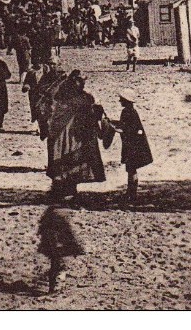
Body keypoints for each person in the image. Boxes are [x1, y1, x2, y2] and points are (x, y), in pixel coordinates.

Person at [44, 70, 106, 201]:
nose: (82, 83)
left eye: (83, 81)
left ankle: (71, 189)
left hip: (79, 135)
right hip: (63, 135)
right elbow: (52, 115)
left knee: (75, 160)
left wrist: (97, 112)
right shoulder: (62, 97)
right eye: (79, 81)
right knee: (63, 160)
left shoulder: (86, 97)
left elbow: (92, 115)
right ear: (73, 81)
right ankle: (59, 188)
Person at [114, 88, 153, 205]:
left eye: (121, 99)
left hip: (132, 145)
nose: (120, 100)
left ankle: (131, 193)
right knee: (132, 169)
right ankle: (131, 193)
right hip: (136, 144)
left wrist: (114, 128)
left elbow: (126, 128)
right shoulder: (132, 111)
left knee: (131, 169)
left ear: (126, 101)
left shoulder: (126, 112)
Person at [37, 205, 84, 294]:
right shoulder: (61, 214)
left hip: (53, 227)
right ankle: (54, 286)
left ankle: (52, 286)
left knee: (56, 261)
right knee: (58, 262)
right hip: (57, 231)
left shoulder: (53, 213)